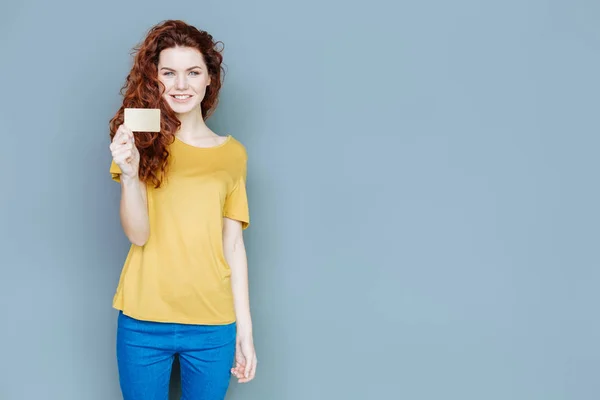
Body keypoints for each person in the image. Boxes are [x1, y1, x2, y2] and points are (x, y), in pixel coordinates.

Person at [107, 19, 257, 399]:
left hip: (212, 324)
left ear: (209, 79)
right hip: (143, 319)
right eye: (169, 73)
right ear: (154, 79)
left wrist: (245, 332)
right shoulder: (140, 144)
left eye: (193, 73)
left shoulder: (232, 154)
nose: (181, 84)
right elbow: (138, 234)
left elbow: (234, 246)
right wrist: (129, 175)